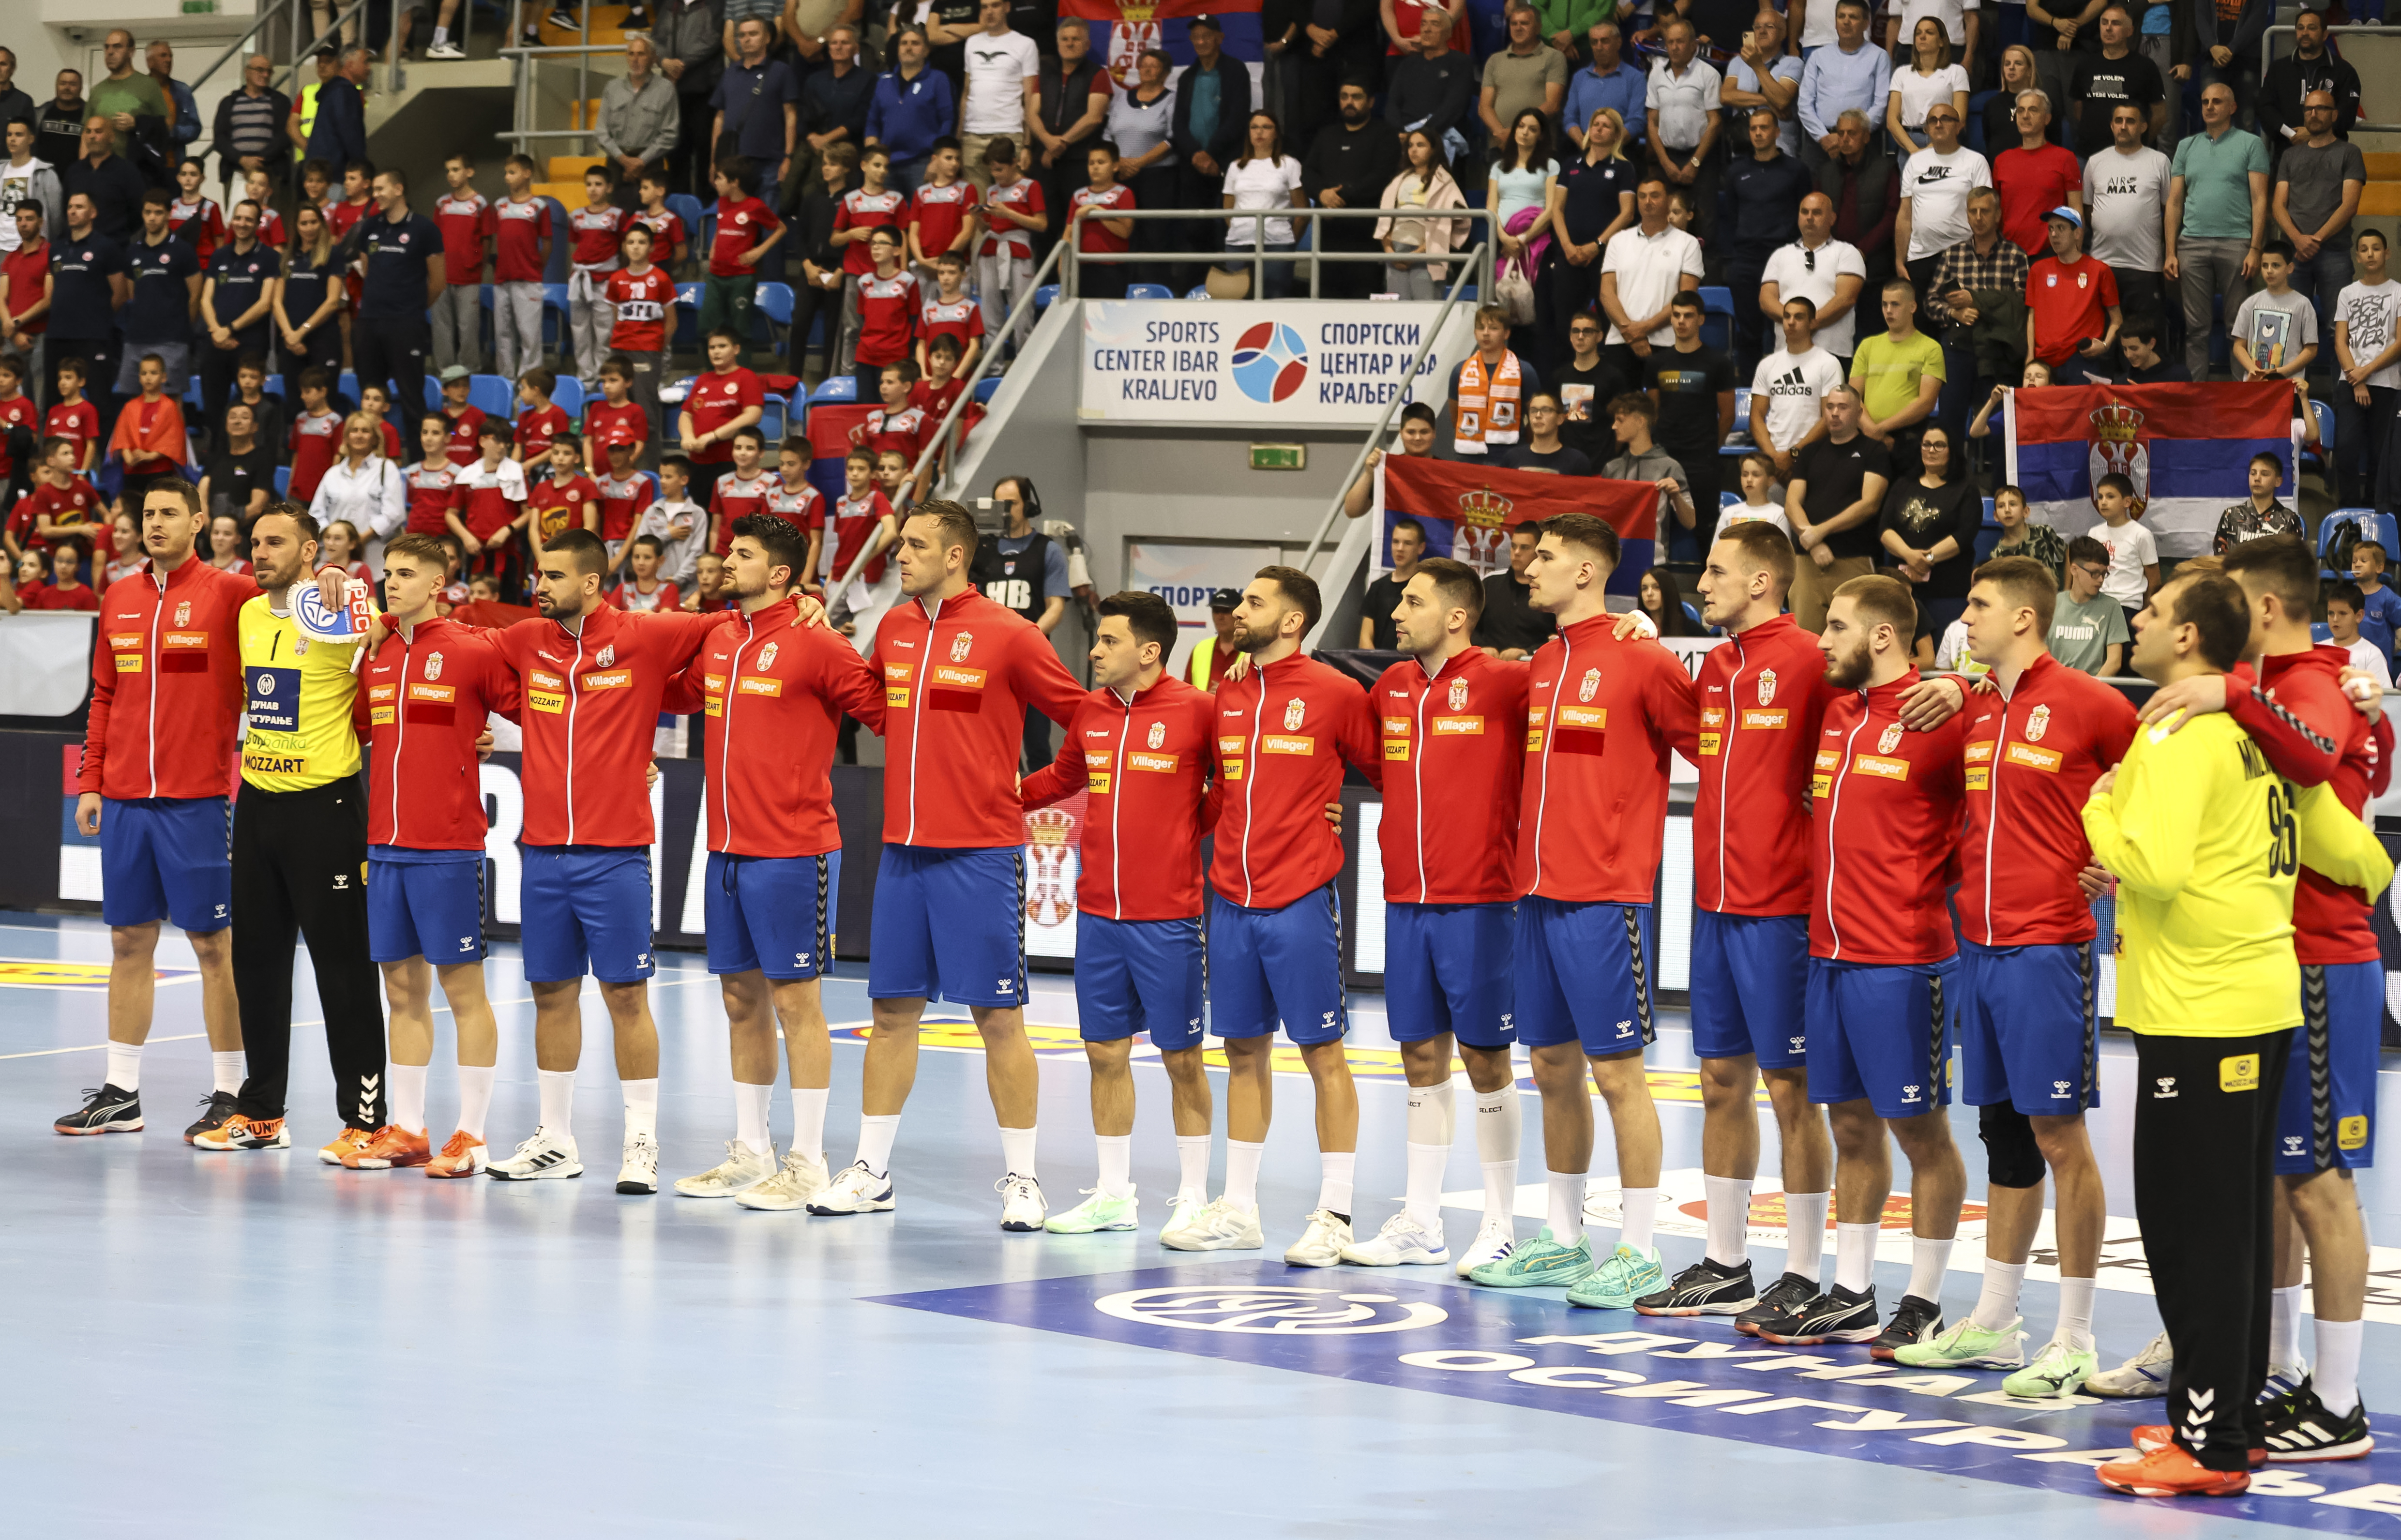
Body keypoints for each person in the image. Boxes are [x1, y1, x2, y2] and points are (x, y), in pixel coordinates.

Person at [2084, 573, 2390, 1498]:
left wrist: (2102, 806)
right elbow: (2361, 858)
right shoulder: (2260, 742)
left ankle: (2210, 1443)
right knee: (2235, 1226)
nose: (2133, 619)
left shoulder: (2179, 737)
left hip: (2199, 1009)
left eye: (2148, 610)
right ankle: (2226, 1420)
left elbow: (2160, 868)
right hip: (2260, 1001)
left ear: (2186, 640)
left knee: (2194, 1232)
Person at [1887, 555, 2134, 1393]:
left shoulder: (2091, 702)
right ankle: (1995, 1322)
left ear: (2026, 617)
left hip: (2048, 947)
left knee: (2062, 1135)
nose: (1969, 618)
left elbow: (2152, 782)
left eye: (1982, 606)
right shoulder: (1979, 706)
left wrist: (2113, 855)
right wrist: (1961, 686)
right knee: (2002, 1134)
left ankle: (2076, 1335)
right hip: (1979, 951)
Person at [806, 502, 1081, 1223]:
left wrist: (1035, 791)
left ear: (956, 555)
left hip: (982, 856)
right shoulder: (895, 626)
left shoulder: (1012, 635)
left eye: (917, 545)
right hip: (902, 853)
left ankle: (1023, 1180)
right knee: (890, 1013)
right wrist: (818, 642)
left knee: (998, 1017)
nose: (902, 555)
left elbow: (1085, 716)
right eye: (902, 544)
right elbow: (872, 703)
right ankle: (871, 1171)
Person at [479, 528, 763, 1189]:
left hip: (615, 857)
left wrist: (800, 603)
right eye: (537, 575)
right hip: (544, 854)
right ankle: (556, 1139)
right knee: (550, 994)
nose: (538, 585)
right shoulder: (526, 639)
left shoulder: (644, 633)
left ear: (588, 582)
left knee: (625, 996)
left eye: (551, 575)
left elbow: (729, 622)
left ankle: (641, 1142)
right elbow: (459, 648)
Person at [1465, 513, 1694, 1305]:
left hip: (1605, 896)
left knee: (1619, 1075)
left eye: (1548, 558)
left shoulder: (1643, 658)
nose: (1529, 568)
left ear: (1590, 571)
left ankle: (1638, 1249)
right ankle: (1564, 1239)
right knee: (1550, 1067)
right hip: (1535, 893)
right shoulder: (1544, 662)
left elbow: (1716, 745)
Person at [1740, 574, 1968, 1355]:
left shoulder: (1939, 719)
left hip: (1904, 962)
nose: (1822, 640)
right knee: (1849, 1127)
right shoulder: (1838, 713)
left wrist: (1964, 689)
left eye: (1834, 627)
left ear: (1880, 636)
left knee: (1922, 1133)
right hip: (1828, 957)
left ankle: (1926, 1298)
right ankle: (1852, 1291)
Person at [1636, 522, 1846, 1319]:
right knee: (1720, 1080)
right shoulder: (1718, 664)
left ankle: (1800, 1268)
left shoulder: (1809, 660)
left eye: (1719, 572)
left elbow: (1876, 720)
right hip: (1714, 904)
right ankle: (1727, 1262)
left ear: (1764, 580)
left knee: (1791, 1089)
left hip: (1783, 908)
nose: (1705, 583)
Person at [647, 514, 883, 1204]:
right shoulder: (721, 638)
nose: (727, 561)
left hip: (793, 850)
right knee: (738, 998)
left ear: (779, 573)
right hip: (724, 849)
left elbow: (888, 713)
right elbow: (665, 691)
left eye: (743, 555)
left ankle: (807, 1159)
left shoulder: (817, 643)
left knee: (797, 1003)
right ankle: (752, 1150)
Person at [2217, 538, 2391, 1464]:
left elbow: (2321, 760)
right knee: (2293, 1178)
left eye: (2229, 597)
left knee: (2322, 1182)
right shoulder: (2293, 679)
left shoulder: (2304, 681)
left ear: (2267, 606)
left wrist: (2237, 695)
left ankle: (2339, 1402)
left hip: (2322, 960)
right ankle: (2292, 1376)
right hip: (2286, 962)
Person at [1157, 564, 1379, 1260]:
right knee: (1243, 1051)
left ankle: (1334, 1216)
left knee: (1323, 1055)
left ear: (1291, 620)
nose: (1237, 612)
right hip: (1230, 901)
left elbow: (1389, 770)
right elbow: (1222, 790)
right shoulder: (1225, 691)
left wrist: (1333, 816)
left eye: (1253, 602)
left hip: (1301, 901)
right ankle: (1240, 1209)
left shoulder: (1338, 693)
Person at [1337, 557, 1527, 1272]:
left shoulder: (1507, 681)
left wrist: (1634, 630)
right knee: (1420, 1058)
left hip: (1481, 899)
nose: (1395, 612)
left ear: (1456, 615)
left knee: (1485, 1059)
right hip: (1404, 900)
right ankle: (1421, 1221)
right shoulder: (1390, 686)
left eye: (1412, 601)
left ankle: (1501, 1222)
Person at [49, 482, 253, 1139]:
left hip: (197, 801)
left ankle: (230, 1092)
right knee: (127, 940)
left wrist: (327, 577)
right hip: (127, 800)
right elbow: (104, 696)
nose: (157, 523)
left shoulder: (230, 593)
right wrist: (91, 782)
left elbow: (294, 617)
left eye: (170, 513)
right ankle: (121, 1092)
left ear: (199, 520)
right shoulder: (120, 596)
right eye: (148, 515)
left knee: (212, 946)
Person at [1015, 590, 1222, 1237]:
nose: (1096, 651)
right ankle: (1113, 1194)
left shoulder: (1198, 711)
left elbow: (1235, 786)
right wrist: (995, 795)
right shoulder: (1091, 713)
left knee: (1182, 1057)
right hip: (1099, 915)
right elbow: (1061, 779)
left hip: (1169, 918)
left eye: (1108, 641)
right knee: (1105, 1052)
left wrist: (1189, 831)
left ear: (1149, 650)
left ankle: (1193, 1196)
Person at [186, 505, 385, 1159]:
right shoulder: (246, 612)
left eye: (276, 542)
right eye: (255, 542)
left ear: (308, 552)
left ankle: (366, 1121)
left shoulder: (341, 606)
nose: (260, 551)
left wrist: (342, 581)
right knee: (258, 964)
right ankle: (262, 1112)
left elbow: (388, 636)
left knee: (343, 969)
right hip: (260, 804)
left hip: (325, 808)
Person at [343, 534, 518, 1175]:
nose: (392, 582)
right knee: (400, 988)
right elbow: (365, 727)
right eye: (388, 572)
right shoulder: (381, 651)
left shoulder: (472, 651)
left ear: (438, 584)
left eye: (407, 573)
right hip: (386, 848)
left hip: (448, 847)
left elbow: (545, 709)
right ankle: (410, 1127)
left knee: (462, 988)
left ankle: (472, 1134)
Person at [2166, 82, 2270, 381]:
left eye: (2217, 102)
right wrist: (2171, 251)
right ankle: (2195, 397)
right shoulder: (2187, 146)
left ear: (2233, 108)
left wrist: (2255, 248)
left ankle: (2242, 395)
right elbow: (2174, 202)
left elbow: (2260, 199)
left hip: (2237, 243)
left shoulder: (2251, 144)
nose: (2209, 107)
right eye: (2205, 102)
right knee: (2196, 328)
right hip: (2191, 244)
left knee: (2238, 328)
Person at [338, 168, 445, 442]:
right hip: (370, 321)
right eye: (373, 190)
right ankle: (371, 455)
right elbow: (367, 268)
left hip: (406, 323)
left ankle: (418, 463)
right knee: (370, 397)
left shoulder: (424, 229)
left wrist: (413, 308)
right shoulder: (370, 227)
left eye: (380, 189)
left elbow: (438, 281)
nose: (375, 195)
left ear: (399, 190)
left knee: (411, 395)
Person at [1784, 384, 1889, 633]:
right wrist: (1813, 541)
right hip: (1807, 560)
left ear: (1859, 412)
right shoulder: (1810, 452)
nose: (1834, 413)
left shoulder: (1874, 451)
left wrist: (1820, 532)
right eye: (1830, 407)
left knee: (1855, 639)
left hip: (1853, 558)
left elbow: (1869, 504)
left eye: (1843, 407)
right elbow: (1791, 503)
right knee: (1804, 640)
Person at [1722, 107, 1811, 380]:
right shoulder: (1737, 171)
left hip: (1784, 257)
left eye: (1764, 128)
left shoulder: (1796, 170)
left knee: (1786, 328)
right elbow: (1729, 217)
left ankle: (1786, 385)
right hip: (1747, 258)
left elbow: (1806, 213)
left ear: (1777, 132)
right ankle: (1750, 391)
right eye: (1753, 129)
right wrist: (1731, 257)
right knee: (1748, 330)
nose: (1758, 133)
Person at [1642, 289, 1737, 533]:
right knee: (1655, 530)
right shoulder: (1656, 363)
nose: (1681, 321)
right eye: (1676, 315)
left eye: (1688, 315)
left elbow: (1728, 415)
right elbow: (1652, 411)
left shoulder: (1718, 363)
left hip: (1702, 460)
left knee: (1705, 531)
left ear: (1701, 320)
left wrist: (1709, 447)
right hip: (1663, 456)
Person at [1598, 177, 1704, 392]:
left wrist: (1642, 330)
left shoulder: (1688, 244)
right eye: (1643, 196)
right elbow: (1607, 293)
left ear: (1668, 201)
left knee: (1667, 414)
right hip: (1621, 341)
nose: (1648, 202)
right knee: (1624, 412)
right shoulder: (1619, 240)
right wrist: (1631, 333)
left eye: (1655, 196)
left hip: (1668, 342)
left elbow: (1685, 298)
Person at [1876, 423, 1979, 635]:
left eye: (1939, 446)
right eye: (1927, 445)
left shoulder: (1965, 489)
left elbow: (1964, 535)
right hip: (1903, 589)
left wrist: (1928, 559)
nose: (1931, 451)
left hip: (1947, 590)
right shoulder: (1903, 484)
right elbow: (1885, 528)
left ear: (1952, 450)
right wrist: (1909, 556)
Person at [1305, 80, 1401, 302]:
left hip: (1365, 238)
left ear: (1371, 102)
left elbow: (1381, 177)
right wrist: (1321, 194)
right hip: (1328, 240)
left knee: (1363, 308)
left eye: (1356, 97)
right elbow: (1308, 171)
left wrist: (1341, 195)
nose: (1349, 102)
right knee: (1325, 308)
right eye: (1344, 96)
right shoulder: (1327, 134)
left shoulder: (1384, 134)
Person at [2274, 91, 2365, 323]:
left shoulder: (2350, 153)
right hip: (2294, 253)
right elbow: (2278, 206)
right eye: (2309, 109)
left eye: (2321, 108)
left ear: (2334, 115)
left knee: (2339, 328)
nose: (2313, 114)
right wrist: (2298, 240)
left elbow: (2350, 205)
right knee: (2291, 327)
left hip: (2334, 251)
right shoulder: (2290, 155)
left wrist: (2315, 240)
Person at [1032, 18, 1117, 257]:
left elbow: (1094, 118)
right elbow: (1031, 112)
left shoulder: (1098, 74)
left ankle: (1074, 282)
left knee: (1076, 225)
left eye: (1076, 39)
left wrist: (1061, 143)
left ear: (1088, 44)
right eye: (1065, 39)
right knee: (1045, 224)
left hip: (1079, 163)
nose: (1069, 43)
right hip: (1045, 162)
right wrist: (1048, 142)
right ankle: (1045, 286)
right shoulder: (1045, 72)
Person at [2084, 103, 2171, 328]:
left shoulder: (2159, 162)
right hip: (2102, 263)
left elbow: (2171, 210)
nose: (2123, 126)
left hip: (2144, 265)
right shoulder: (2095, 162)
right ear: (2112, 126)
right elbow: (2087, 209)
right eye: (2118, 121)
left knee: (2144, 337)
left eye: (2130, 121)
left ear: (2143, 126)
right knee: (2103, 335)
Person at [1760, 192, 1868, 371]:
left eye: (1817, 213)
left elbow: (1846, 299)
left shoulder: (1847, 252)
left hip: (1832, 353)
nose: (1810, 218)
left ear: (1832, 218)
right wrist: (1795, 322)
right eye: (1805, 212)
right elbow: (1766, 299)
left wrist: (1807, 324)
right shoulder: (1780, 255)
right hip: (1786, 353)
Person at [196, 200, 277, 433]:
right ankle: (215, 455)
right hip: (216, 341)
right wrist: (216, 330)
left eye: (249, 219)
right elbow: (205, 299)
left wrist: (229, 329)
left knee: (249, 406)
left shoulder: (269, 257)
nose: (242, 224)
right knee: (213, 406)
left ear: (257, 224)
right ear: (232, 221)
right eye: (239, 218)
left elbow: (265, 304)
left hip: (250, 344)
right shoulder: (220, 256)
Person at [2334, 229, 2401, 510]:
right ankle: (2348, 510)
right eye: (2364, 249)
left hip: (2387, 383)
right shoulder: (2348, 293)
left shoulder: (2398, 291)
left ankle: (2376, 509)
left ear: (2387, 253)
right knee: (2346, 448)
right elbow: (2340, 341)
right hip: (2350, 382)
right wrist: (2356, 379)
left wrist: (2368, 371)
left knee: (2380, 454)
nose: (2370, 253)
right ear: (2358, 256)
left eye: (2376, 248)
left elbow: (2400, 341)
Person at [1896, 103, 1989, 302]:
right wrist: (1899, 260)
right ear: (1926, 129)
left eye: (1945, 119)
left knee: (1958, 326)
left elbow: (1985, 213)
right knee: (1922, 325)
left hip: (1962, 258)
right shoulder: (1915, 162)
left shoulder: (1975, 161)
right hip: (1919, 257)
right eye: (1933, 120)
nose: (1938, 124)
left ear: (1959, 126)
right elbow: (1905, 215)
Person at [1851, 280, 1945, 471]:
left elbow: (1926, 402)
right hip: (1867, 435)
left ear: (1913, 307)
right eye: (1885, 304)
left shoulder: (1930, 348)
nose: (1888, 310)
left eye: (1895, 304)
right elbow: (1852, 397)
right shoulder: (1867, 345)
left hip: (1908, 438)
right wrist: (1872, 431)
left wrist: (1881, 429)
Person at [1642, 18, 1721, 245]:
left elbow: (1715, 122)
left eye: (1680, 42)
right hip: (1668, 156)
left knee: (1706, 221)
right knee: (1663, 219)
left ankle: (1708, 276)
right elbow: (1652, 122)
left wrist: (1695, 163)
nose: (1675, 47)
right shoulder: (1657, 75)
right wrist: (1665, 162)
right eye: (1670, 42)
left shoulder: (1709, 74)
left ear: (1693, 45)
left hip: (1702, 157)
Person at [1752, 297, 1844, 482]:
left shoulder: (1828, 363)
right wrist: (1773, 457)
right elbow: (1756, 416)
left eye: (1799, 317)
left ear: (1812, 323)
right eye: (1787, 317)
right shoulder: (1768, 364)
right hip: (1773, 461)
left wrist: (1793, 454)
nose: (1791, 322)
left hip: (1813, 458)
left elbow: (1830, 416)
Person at [712, 17, 800, 211]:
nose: (746, 39)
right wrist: (714, 161)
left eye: (753, 34)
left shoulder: (782, 71)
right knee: (737, 225)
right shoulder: (730, 72)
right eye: (742, 35)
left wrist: (788, 157)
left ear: (767, 38)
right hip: (732, 162)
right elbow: (719, 118)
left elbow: (791, 116)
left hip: (770, 162)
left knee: (767, 223)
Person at [2027, 206, 2121, 384]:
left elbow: (2117, 320)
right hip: (2043, 360)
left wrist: (2105, 345)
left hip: (2081, 358)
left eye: (2061, 228)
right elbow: (2032, 316)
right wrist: (2030, 357)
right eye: (2051, 229)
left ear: (2077, 233)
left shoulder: (2100, 271)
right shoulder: (2038, 270)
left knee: (2081, 411)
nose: (2054, 235)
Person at [1377, 129, 1471, 303]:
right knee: (1397, 311)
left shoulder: (1444, 181)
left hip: (1427, 252)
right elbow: (1385, 221)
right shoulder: (1400, 179)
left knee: (1426, 308)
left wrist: (1417, 254)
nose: (1414, 150)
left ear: (1434, 149)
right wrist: (1390, 251)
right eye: (1410, 146)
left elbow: (1451, 224)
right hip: (1396, 252)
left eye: (1421, 145)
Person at [1796, 0, 1888, 176]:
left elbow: (1881, 103)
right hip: (1821, 142)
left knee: (1862, 201)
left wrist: (1854, 136)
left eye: (1853, 17)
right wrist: (1823, 137)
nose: (1846, 22)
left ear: (1866, 23)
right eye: (1841, 17)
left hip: (1863, 144)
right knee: (1816, 199)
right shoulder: (1818, 57)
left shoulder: (1879, 57)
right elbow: (1805, 104)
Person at [956, 0, 1038, 191]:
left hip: (1009, 132)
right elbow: (966, 92)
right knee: (977, 209)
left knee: (1011, 203)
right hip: (973, 134)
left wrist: (1027, 144)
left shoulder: (1026, 44)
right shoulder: (972, 43)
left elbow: (1030, 97)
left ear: (1007, 7)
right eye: (984, 7)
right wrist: (960, 135)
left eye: (995, 6)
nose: (989, 11)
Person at [866, 28, 956, 199]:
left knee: (922, 218)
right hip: (887, 164)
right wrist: (872, 154)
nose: (909, 48)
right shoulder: (883, 81)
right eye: (904, 43)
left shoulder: (938, 79)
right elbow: (873, 122)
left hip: (923, 162)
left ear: (926, 50)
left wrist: (937, 160)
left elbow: (947, 120)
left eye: (915, 43)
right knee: (888, 219)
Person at [1993, 91, 2082, 257]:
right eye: (2021, 111)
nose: (2026, 116)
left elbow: (2076, 210)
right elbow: (1996, 213)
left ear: (2047, 119)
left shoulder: (2065, 158)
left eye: (2033, 110)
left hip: (2052, 253)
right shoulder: (2001, 161)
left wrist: (2075, 257)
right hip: (2008, 255)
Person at [2258, 9, 2361, 150]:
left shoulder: (2344, 71)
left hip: (2331, 154)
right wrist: (2290, 133)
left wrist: (2313, 133)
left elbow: (2347, 114)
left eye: (2312, 28)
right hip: (2287, 151)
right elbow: (2265, 108)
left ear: (2325, 34)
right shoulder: (2278, 69)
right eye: (2301, 28)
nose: (2305, 33)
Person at [2068, 4, 2164, 154]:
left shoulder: (2145, 67)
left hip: (2132, 155)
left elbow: (2159, 115)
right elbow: (2078, 109)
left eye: (2116, 23)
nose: (2108, 28)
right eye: (2104, 22)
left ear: (2130, 31)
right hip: (2089, 155)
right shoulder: (2084, 65)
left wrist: (2141, 144)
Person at [1447, 303, 1540, 457]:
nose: (1486, 333)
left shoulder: (1525, 371)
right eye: (1480, 328)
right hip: (1468, 455)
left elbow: (1535, 417)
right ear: (1475, 333)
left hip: (1512, 454)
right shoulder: (1460, 370)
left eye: (1493, 328)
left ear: (1507, 333)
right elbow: (1456, 417)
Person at [1386, 8, 1479, 156]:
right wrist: (1400, 132)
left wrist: (1423, 135)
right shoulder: (1407, 65)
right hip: (1405, 136)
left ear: (1448, 33)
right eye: (1423, 24)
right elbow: (1392, 103)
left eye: (1435, 24)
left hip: (1441, 134)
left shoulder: (1461, 63)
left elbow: (1454, 106)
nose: (1427, 30)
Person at [1483, 3, 1570, 151]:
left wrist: (1515, 132)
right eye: (1514, 23)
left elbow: (1552, 105)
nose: (1518, 28)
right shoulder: (1495, 60)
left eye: (1524, 23)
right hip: (1500, 146)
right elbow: (1485, 107)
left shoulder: (1554, 57)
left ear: (1538, 28)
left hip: (1539, 147)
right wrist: (1500, 133)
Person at [2230, 246, 2316, 386]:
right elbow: (2239, 346)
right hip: (2255, 384)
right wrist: (2254, 370)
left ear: (2290, 268)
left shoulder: (2303, 304)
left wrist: (2280, 373)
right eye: (2265, 266)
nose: (2269, 271)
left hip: (2289, 384)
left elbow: (2311, 349)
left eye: (2276, 265)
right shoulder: (2250, 303)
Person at [2050, 533, 2129, 676]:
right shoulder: (2052, 604)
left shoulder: (2112, 607)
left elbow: (2114, 661)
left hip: (2094, 687)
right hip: (2056, 685)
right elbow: (2040, 653)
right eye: (2094, 573)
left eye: (2104, 574)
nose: (2100, 580)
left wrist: (2091, 688)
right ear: (2074, 570)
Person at [1565, 20, 1648, 155]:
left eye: (1605, 41)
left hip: (1621, 152)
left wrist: (1606, 147)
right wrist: (1584, 143)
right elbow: (1570, 118)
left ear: (1619, 43)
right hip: (1584, 149)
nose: (1599, 47)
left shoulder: (1635, 78)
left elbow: (1636, 121)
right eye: (1594, 42)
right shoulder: (1580, 77)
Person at [2088, 471, 2158, 633]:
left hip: (2128, 607)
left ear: (2127, 502)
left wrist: (2147, 613)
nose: (2104, 502)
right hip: (2098, 604)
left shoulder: (2141, 534)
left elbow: (2154, 580)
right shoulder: (2094, 533)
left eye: (2110, 497)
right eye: (2100, 497)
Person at [1886, 17, 1968, 154]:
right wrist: (1914, 151)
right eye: (1918, 33)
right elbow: (1892, 119)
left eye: (1929, 33)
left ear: (1942, 41)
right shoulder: (1901, 73)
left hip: (1944, 139)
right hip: (1909, 141)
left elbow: (1959, 117)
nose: (1922, 37)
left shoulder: (1956, 72)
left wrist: (1932, 147)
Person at [1358, 516, 1424, 649]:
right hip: (1378, 665)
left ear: (1421, 548)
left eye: (1408, 543)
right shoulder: (1378, 587)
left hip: (1413, 662)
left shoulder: (1426, 586)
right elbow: (1365, 637)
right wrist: (1373, 665)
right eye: (1396, 542)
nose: (1400, 548)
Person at [1502, 389, 1598, 479]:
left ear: (1560, 419)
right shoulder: (1512, 457)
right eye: (1533, 411)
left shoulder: (1578, 461)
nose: (1538, 416)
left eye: (1546, 410)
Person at [2323, 583, 2392, 691]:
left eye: (2343, 613)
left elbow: (2385, 699)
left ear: (2359, 616)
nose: (2335, 619)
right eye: (2331, 613)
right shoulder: (2319, 649)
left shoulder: (2372, 655)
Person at [1185, 585, 1240, 690]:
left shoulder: (1252, 651)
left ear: (1238, 614)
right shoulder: (1201, 649)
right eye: (1216, 610)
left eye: (1226, 611)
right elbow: (1187, 690)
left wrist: (1225, 692)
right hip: (1203, 707)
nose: (1220, 616)